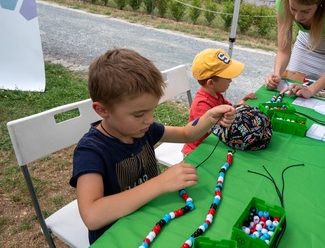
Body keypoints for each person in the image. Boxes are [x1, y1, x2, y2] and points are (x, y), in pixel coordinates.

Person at [69, 48, 236, 244]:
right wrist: (160, 184)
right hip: (119, 236)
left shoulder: (143, 129)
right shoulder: (91, 151)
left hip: (153, 217)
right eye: (139, 114)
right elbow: (92, 215)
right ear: (102, 110)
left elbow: (186, 134)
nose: (149, 120)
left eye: (152, 110)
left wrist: (209, 117)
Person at [182, 48, 257, 155]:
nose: (231, 80)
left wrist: (238, 105)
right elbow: (207, 129)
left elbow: (228, 108)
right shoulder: (202, 103)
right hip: (197, 150)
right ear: (211, 83)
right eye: (227, 78)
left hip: (213, 143)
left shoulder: (216, 95)